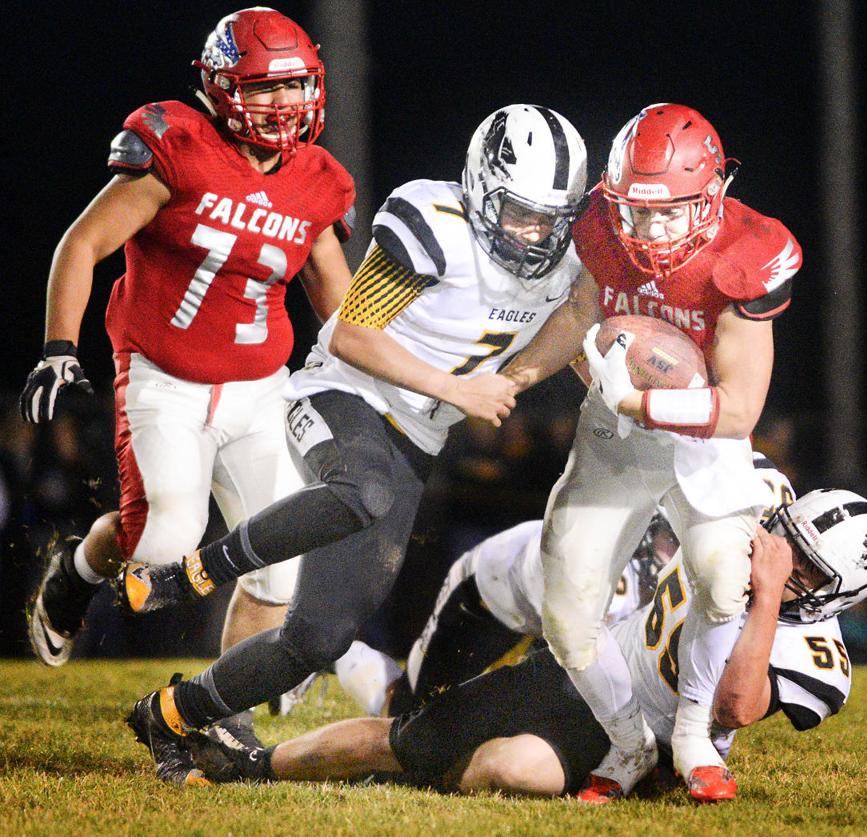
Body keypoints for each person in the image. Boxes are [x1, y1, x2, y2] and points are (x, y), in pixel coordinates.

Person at [118, 104, 589, 784]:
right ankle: (186, 573)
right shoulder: (436, 223)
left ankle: (167, 713)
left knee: (318, 639)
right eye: (521, 212)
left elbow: (576, 316)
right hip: (344, 396)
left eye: (551, 217)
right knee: (360, 489)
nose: (536, 231)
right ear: (483, 187)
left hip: (416, 437)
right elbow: (349, 334)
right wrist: (458, 389)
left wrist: (524, 375)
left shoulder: (565, 259)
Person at [22, 7, 355, 694]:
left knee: (282, 563)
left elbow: (341, 305)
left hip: (262, 387)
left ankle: (224, 711)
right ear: (221, 86)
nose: (284, 102)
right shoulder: (176, 144)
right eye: (264, 86)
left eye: (295, 85)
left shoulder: (317, 178)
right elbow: (83, 243)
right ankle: (76, 574)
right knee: (163, 543)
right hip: (163, 378)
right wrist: (58, 346)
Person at [184, 489, 867, 802]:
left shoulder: (818, 655)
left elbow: (737, 705)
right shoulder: (736, 522)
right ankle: (250, 765)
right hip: (579, 671)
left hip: (647, 745)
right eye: (786, 539)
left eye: (804, 565)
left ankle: (401, 770)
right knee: (411, 732)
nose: (780, 556)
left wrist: (769, 593)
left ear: (838, 593)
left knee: (512, 767)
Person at [500, 103, 801, 800]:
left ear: (713, 193)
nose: (652, 229)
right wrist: (513, 376)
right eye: (636, 211)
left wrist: (637, 398)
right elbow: (579, 314)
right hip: (616, 437)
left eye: (672, 212)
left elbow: (739, 410)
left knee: (724, 576)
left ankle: (693, 735)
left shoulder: (747, 252)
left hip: (701, 437)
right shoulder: (601, 225)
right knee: (567, 613)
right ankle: (629, 742)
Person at [331, 513, 675, 719]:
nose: (672, 555)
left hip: (541, 613)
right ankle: (337, 651)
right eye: (667, 542)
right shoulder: (610, 576)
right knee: (408, 716)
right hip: (486, 600)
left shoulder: (655, 576)